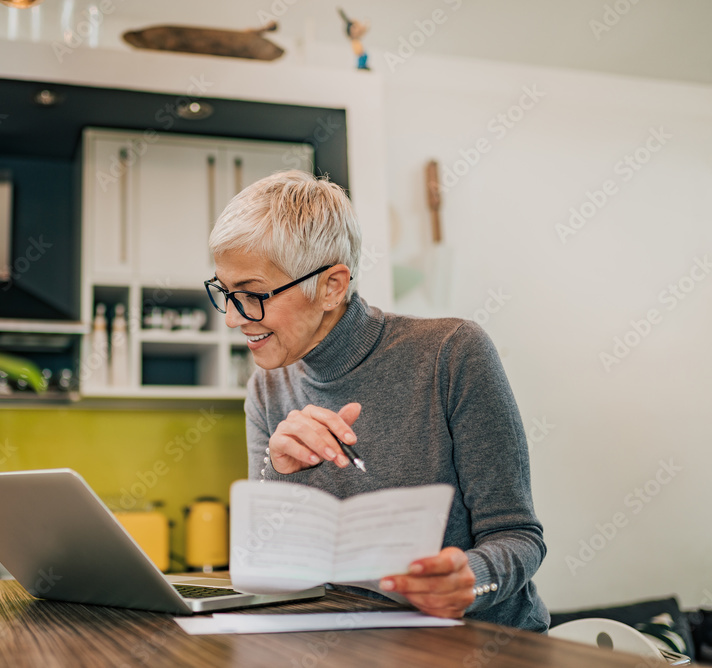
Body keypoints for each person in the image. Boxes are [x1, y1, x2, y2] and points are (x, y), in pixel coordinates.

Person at [205, 170, 549, 632]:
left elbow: (519, 536)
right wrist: (275, 470)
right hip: (354, 643)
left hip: (483, 645)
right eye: (226, 293)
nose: (232, 318)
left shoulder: (452, 353)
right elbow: (268, 565)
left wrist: (471, 579)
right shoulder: (268, 389)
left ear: (331, 286)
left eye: (251, 295)